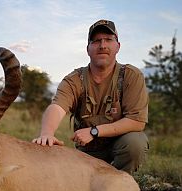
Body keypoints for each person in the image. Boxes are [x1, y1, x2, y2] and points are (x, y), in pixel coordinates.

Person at [32, 19, 149, 174]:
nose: (102, 45)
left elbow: (137, 122)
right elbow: (57, 107)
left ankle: (121, 185)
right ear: (88, 49)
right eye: (96, 41)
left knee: (135, 143)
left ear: (118, 46)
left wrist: (94, 131)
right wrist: (47, 133)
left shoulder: (131, 76)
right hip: (87, 152)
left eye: (108, 40)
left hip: (119, 147)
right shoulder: (74, 79)